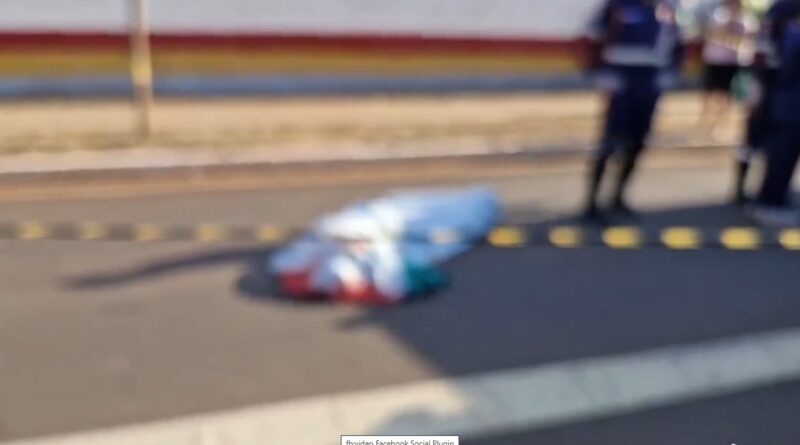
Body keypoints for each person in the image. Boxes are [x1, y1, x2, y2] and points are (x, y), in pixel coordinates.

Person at [582, 0, 685, 222]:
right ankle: (591, 203)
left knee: (638, 143)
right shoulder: (618, 5)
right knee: (609, 143)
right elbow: (593, 38)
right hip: (622, 83)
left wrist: (671, 73)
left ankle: (618, 197)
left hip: (650, 84)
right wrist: (601, 73)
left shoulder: (667, 10)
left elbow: (677, 45)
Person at [750, 0, 800, 226]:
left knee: (783, 157)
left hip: (783, 104)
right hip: (789, 107)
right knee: (782, 157)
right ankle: (770, 203)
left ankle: (774, 198)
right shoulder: (792, 35)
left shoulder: (785, 32)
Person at [697, 0, 759, 137]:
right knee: (709, 91)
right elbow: (712, 33)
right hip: (715, 59)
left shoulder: (747, 19)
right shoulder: (720, 16)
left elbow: (751, 37)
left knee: (727, 94)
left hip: (732, 61)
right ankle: (705, 118)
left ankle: (718, 123)